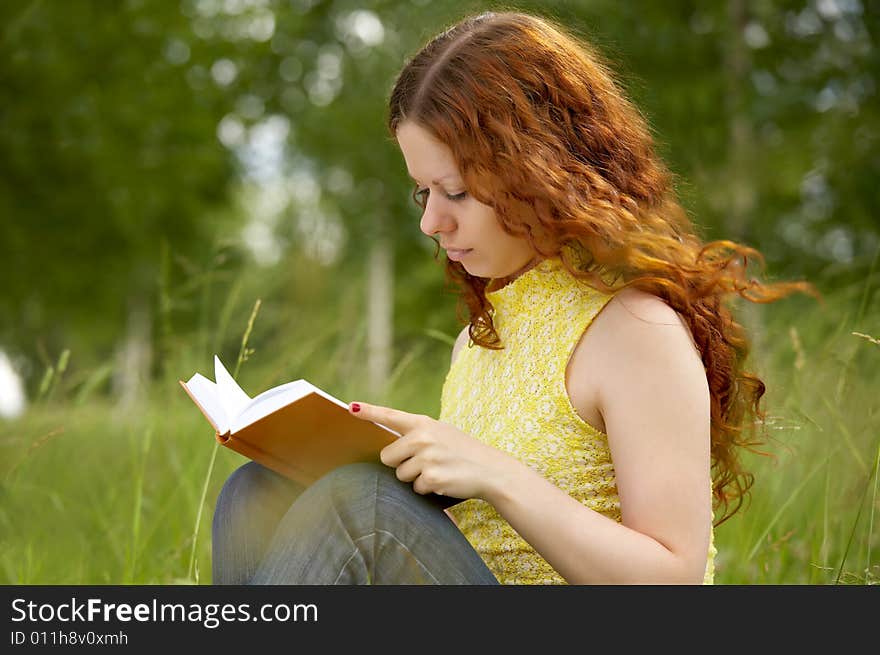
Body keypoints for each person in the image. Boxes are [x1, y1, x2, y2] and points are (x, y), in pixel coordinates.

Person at [211, 10, 818, 585]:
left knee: (358, 506)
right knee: (257, 491)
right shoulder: (480, 336)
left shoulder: (635, 328)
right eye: (422, 192)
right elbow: (487, 554)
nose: (432, 223)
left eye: (456, 192)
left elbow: (672, 579)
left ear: (540, 173)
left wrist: (497, 476)